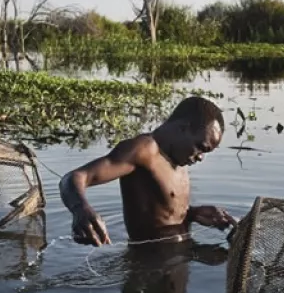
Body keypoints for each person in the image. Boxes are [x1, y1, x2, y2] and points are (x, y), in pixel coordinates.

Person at [59, 96, 237, 246]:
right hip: (148, 272)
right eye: (200, 147)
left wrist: (192, 214)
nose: (200, 157)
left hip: (179, 261)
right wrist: (80, 209)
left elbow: (161, 210)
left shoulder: (179, 157)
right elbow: (73, 178)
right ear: (184, 128)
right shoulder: (144, 151)